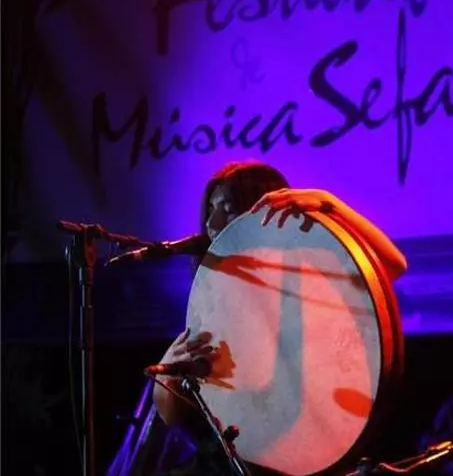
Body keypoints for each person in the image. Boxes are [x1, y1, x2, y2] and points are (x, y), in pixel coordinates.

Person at [108, 160, 407, 476]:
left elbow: (392, 265)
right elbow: (171, 415)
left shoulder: (300, 273)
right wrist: (169, 373)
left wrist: (327, 203)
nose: (212, 222)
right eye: (210, 209)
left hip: (298, 457)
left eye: (228, 209)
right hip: (227, 461)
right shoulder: (214, 296)